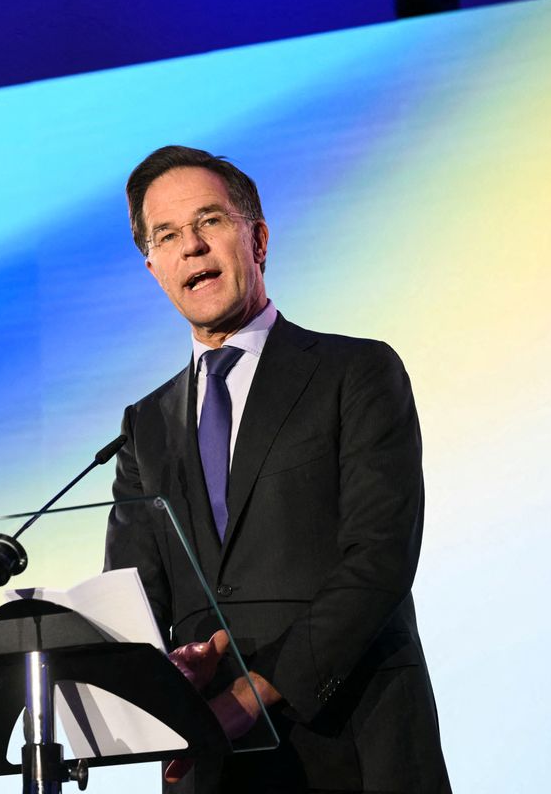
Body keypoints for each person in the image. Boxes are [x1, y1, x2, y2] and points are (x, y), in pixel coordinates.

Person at [104, 146, 451, 793]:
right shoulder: (143, 426)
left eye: (209, 222)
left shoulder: (357, 374)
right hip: (211, 765)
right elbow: (134, 599)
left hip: (354, 742)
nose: (192, 248)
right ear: (152, 266)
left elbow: (379, 559)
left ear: (257, 238)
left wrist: (252, 695)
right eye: (168, 235)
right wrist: (163, 673)